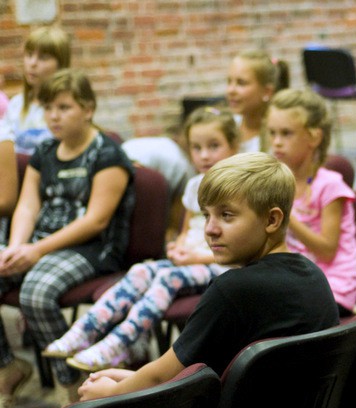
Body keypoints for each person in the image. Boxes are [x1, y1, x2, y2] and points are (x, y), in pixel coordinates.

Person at [77, 151, 339, 408]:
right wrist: (126, 377)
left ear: (272, 219)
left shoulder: (235, 289)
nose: (210, 229)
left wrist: (107, 397)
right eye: (207, 215)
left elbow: (157, 380)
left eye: (227, 216)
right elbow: (176, 371)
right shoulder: (312, 276)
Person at [41, 106, 240, 371]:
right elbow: (186, 230)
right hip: (191, 261)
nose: (204, 155)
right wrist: (178, 247)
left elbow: (240, 247)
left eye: (213, 146)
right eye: (196, 147)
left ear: (234, 146)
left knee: (167, 278)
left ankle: (117, 344)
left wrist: (194, 256)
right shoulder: (195, 185)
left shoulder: (239, 187)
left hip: (221, 265)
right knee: (141, 270)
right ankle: (83, 331)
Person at [0, 69, 135, 405]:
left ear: (88, 109)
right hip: (41, 245)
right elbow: (28, 208)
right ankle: (8, 365)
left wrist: (36, 250)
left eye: (64, 107)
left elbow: (95, 220)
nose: (54, 116)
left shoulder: (107, 153)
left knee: (36, 292)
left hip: (92, 249)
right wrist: (17, 247)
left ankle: (73, 383)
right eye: (48, 108)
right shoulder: (44, 152)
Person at [267, 88, 356, 314]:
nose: (276, 142)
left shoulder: (330, 186)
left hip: (333, 288)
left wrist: (286, 216)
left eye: (286, 133)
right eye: (272, 133)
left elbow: (327, 250)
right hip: (297, 280)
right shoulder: (277, 183)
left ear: (314, 137)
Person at [0, 26, 71, 221]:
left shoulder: (66, 109)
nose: (32, 63)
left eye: (43, 58)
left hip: (52, 193)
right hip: (14, 190)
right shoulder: (15, 106)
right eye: (29, 55)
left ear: (61, 64)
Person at [226, 49, 290, 153]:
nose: (231, 90)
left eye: (241, 83)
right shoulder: (226, 126)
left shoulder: (277, 140)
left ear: (267, 91)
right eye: (229, 82)